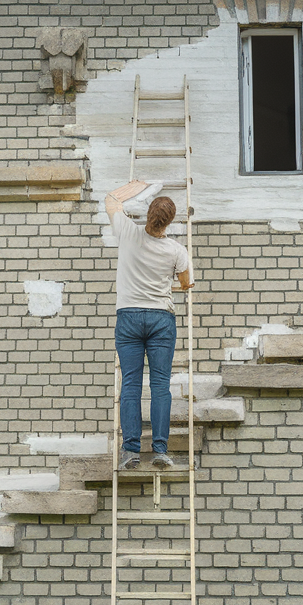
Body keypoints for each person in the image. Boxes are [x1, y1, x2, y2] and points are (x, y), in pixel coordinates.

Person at [105, 183, 194, 469]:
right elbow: (186, 283)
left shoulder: (127, 232)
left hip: (128, 317)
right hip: (160, 319)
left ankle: (130, 450)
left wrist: (138, 187)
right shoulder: (176, 250)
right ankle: (159, 450)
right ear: (169, 222)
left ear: (147, 215)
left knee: (130, 384)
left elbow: (110, 200)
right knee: (159, 386)